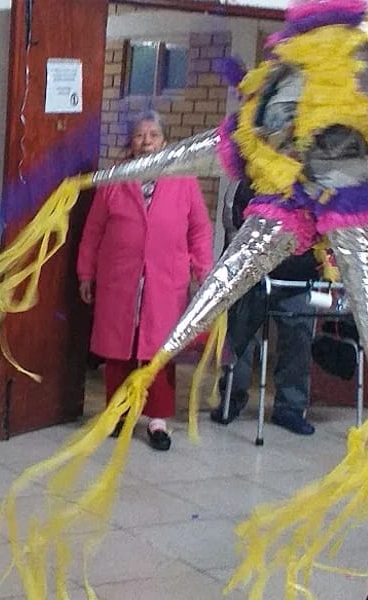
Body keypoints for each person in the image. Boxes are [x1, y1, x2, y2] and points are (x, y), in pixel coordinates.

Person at [77, 111, 214, 451]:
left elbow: (199, 228)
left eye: (153, 135)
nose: (146, 141)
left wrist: (203, 270)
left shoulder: (184, 179)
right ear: (130, 143)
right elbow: (93, 231)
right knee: (118, 349)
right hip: (119, 279)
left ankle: (157, 419)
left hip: (166, 280)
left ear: (165, 142)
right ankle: (117, 413)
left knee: (158, 351)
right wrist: (86, 272)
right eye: (140, 135)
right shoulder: (114, 180)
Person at [209, 178, 319, 435]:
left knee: (299, 339)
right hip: (252, 274)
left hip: (299, 275)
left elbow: (322, 228)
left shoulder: (313, 181)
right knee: (240, 339)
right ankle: (231, 399)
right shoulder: (247, 180)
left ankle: (290, 408)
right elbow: (234, 227)